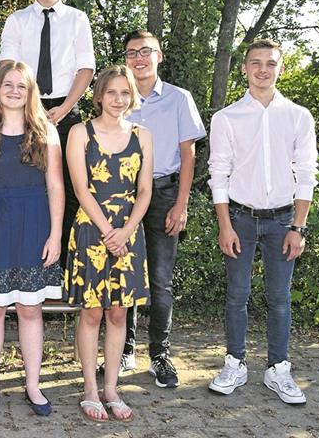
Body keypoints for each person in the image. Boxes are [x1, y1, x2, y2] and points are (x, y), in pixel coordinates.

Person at [207, 39, 317, 405]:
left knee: (279, 297)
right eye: (255, 62)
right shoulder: (226, 118)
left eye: (270, 63)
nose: (263, 69)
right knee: (237, 295)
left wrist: (298, 227)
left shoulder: (298, 116)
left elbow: (306, 173)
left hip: (283, 220)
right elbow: (218, 173)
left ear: (281, 68)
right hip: (239, 218)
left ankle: (278, 369)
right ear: (244, 69)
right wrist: (225, 225)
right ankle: (235, 364)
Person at [0, 62, 64, 417]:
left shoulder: (47, 132)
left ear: (30, 92)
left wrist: (55, 234)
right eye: (8, 84)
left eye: (22, 86)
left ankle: (33, 385)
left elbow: (56, 186)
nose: (15, 91)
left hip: (34, 226)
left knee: (30, 309)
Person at [116, 29, 206, 387]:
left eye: (146, 51)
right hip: (122, 195)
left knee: (160, 279)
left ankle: (159, 355)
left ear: (159, 56)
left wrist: (181, 204)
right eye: (132, 52)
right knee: (124, 274)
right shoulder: (118, 96)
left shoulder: (179, 99)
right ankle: (124, 350)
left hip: (164, 193)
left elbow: (189, 155)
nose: (139, 58)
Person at [65, 66, 153, 423]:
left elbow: (144, 190)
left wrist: (126, 231)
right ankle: (90, 389)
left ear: (133, 97)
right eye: (112, 92)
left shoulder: (142, 135)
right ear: (99, 95)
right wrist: (108, 231)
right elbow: (80, 188)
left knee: (119, 313)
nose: (118, 99)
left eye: (125, 92)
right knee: (92, 312)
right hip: (92, 230)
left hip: (129, 233)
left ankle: (112, 389)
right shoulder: (79, 133)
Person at [0, 0, 95, 270]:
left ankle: (64, 269)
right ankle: (27, 264)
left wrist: (65, 108)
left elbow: (86, 69)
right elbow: (8, 67)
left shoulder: (77, 19)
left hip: (66, 112)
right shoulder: (17, 21)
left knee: (67, 190)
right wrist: (32, 111)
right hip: (26, 111)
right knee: (28, 187)